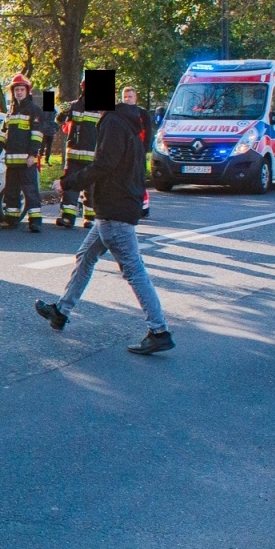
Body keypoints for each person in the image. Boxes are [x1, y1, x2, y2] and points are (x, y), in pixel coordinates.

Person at [35, 103, 175, 355]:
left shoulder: (112, 122)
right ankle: (61, 312)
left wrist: (68, 183)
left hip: (114, 210)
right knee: (86, 257)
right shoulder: (125, 121)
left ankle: (159, 330)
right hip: (115, 207)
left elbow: (103, 165)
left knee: (133, 270)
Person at [0, 73, 45, 232]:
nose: (19, 92)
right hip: (11, 162)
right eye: (16, 89)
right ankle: (11, 219)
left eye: (21, 89)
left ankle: (35, 221)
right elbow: (3, 134)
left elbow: (37, 135)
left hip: (26, 161)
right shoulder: (10, 112)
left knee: (30, 191)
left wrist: (32, 154)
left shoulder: (34, 110)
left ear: (27, 91)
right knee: (11, 192)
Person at [56, 81, 100, 228]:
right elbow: (59, 120)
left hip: (93, 157)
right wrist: (62, 111)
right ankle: (68, 217)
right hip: (73, 155)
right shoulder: (73, 105)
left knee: (92, 188)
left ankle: (90, 218)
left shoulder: (103, 111)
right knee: (70, 185)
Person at [122, 86, 153, 217]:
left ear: (136, 98)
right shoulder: (120, 112)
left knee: (139, 178)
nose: (127, 99)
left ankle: (144, 207)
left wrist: (144, 149)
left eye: (130, 97)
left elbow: (148, 132)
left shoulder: (142, 113)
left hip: (138, 150)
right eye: (125, 97)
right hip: (124, 151)